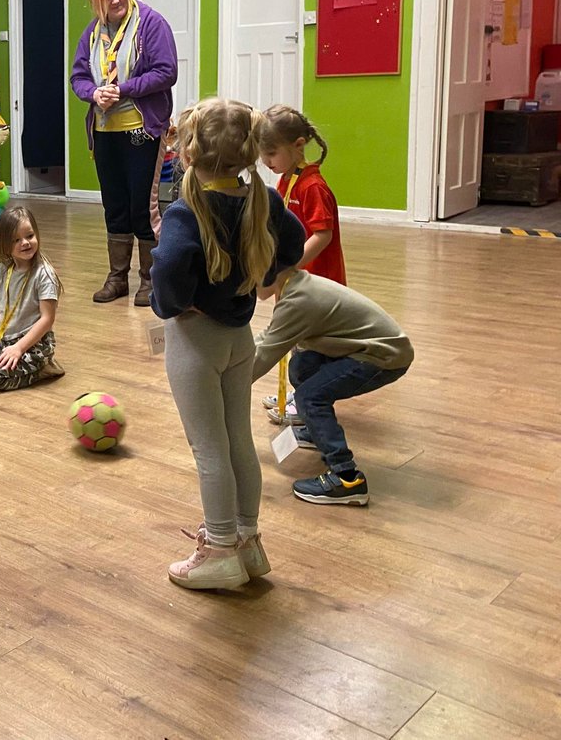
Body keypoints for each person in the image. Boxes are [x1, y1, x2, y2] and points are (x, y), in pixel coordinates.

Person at [151, 98, 304, 590]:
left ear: (190, 156)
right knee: (240, 440)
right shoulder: (264, 198)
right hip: (241, 339)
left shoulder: (184, 213)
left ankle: (219, 549)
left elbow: (168, 274)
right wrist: (257, 274)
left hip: (197, 344)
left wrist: (179, 304)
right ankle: (247, 543)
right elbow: (295, 245)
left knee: (209, 449)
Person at [69, 0, 178, 308]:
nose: (117, 0)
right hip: (104, 130)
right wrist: (93, 92)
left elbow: (166, 71)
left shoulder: (151, 23)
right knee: (114, 206)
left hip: (141, 130)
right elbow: (78, 77)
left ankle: (150, 279)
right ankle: (117, 277)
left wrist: (124, 89)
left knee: (141, 208)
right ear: (96, 0)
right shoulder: (93, 33)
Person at [254, 268, 414, 506]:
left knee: (309, 397)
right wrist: (234, 355)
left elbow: (265, 355)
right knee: (302, 365)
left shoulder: (298, 300)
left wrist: (224, 386)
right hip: (368, 347)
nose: (249, 284)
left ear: (267, 270)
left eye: (250, 275)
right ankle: (315, 428)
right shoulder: (294, 285)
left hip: (384, 356)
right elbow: (269, 336)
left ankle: (347, 478)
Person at [258, 105, 346, 423]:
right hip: (295, 281)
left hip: (316, 282)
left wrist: (290, 263)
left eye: (271, 153)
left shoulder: (313, 187)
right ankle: (298, 394)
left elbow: (322, 235)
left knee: (311, 349)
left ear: (298, 146)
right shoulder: (286, 181)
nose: (267, 162)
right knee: (298, 344)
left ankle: (308, 402)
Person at [0, 206, 65, 391]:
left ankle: (43, 368)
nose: (25, 243)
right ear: (4, 244)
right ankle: (8, 362)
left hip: (34, 343)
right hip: (4, 339)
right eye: (16, 240)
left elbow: (47, 319)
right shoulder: (3, 270)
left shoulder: (44, 274)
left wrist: (19, 348)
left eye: (30, 236)